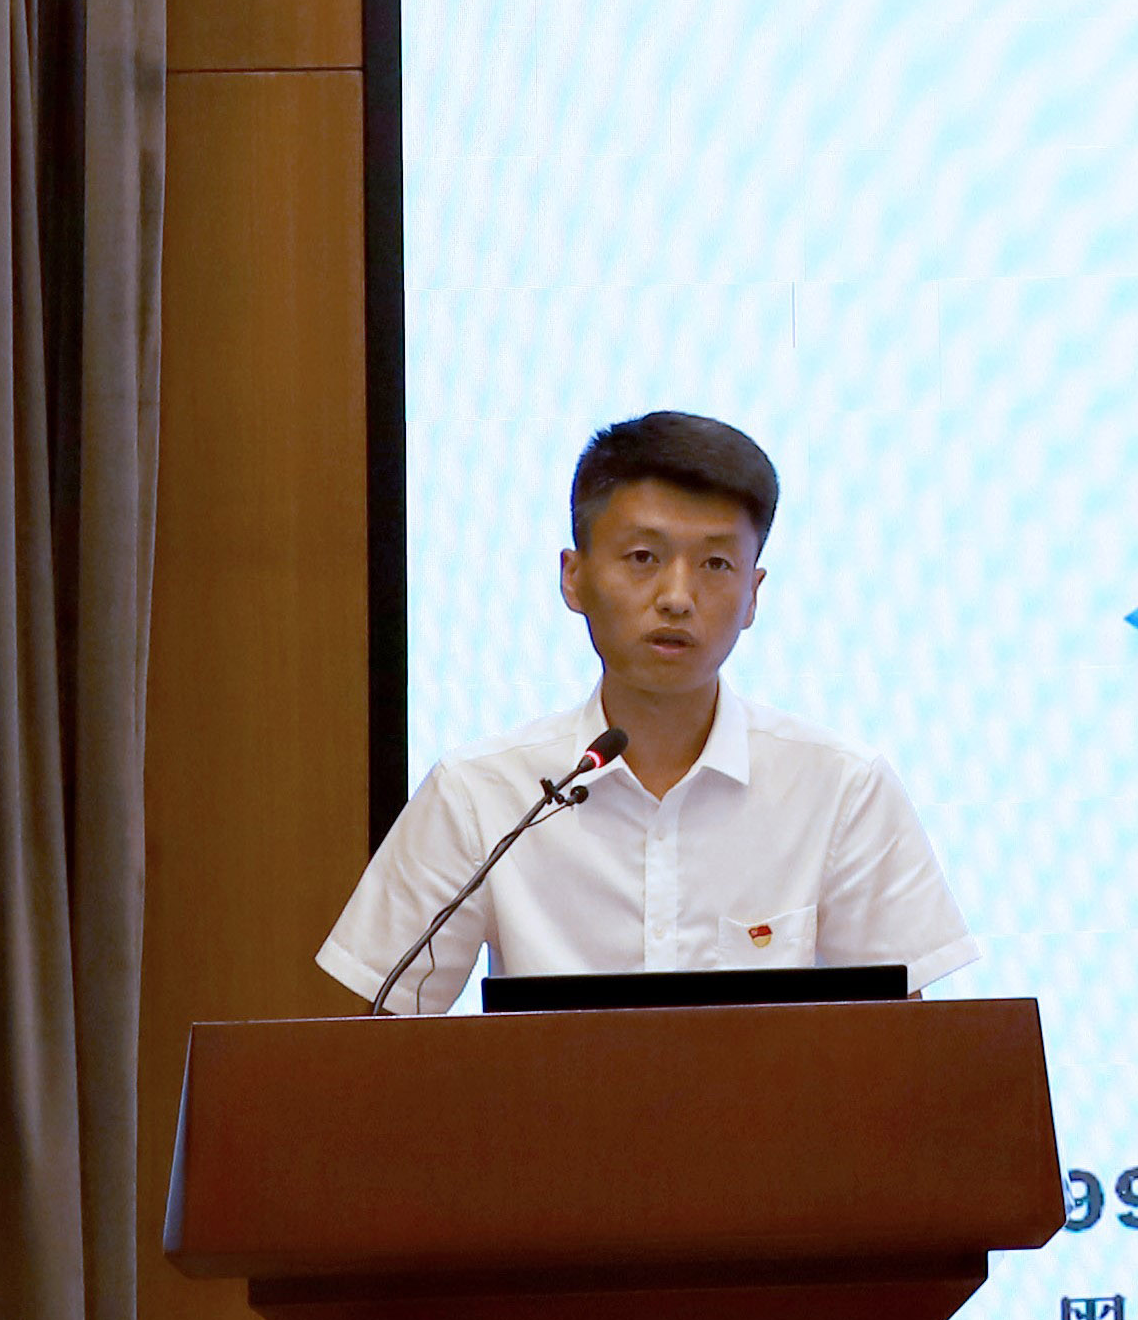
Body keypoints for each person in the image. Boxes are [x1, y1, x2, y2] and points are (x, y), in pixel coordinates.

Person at [316, 409, 976, 1014]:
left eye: (716, 563)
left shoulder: (842, 789)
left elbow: (902, 1052)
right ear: (573, 576)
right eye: (643, 558)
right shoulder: (481, 794)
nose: (678, 597)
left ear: (753, 593)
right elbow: (371, 1039)